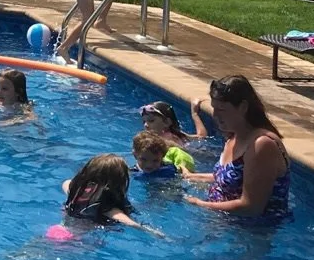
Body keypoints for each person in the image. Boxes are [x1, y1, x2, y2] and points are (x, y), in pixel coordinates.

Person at [184, 75, 291, 218]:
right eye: (214, 108)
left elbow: (252, 207)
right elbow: (225, 179)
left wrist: (200, 204)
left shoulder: (262, 144)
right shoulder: (234, 135)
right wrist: (190, 177)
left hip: (251, 232)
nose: (215, 115)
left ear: (243, 107)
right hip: (222, 220)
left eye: (222, 110)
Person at [61, 154, 164, 236]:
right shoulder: (108, 206)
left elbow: (66, 183)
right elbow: (129, 222)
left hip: (61, 228)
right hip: (81, 238)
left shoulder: (74, 190)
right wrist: (154, 233)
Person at [140, 98, 208, 145]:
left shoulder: (165, 141)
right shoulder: (176, 134)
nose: (146, 125)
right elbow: (201, 137)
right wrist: (195, 114)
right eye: (144, 121)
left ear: (167, 122)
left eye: (151, 121)